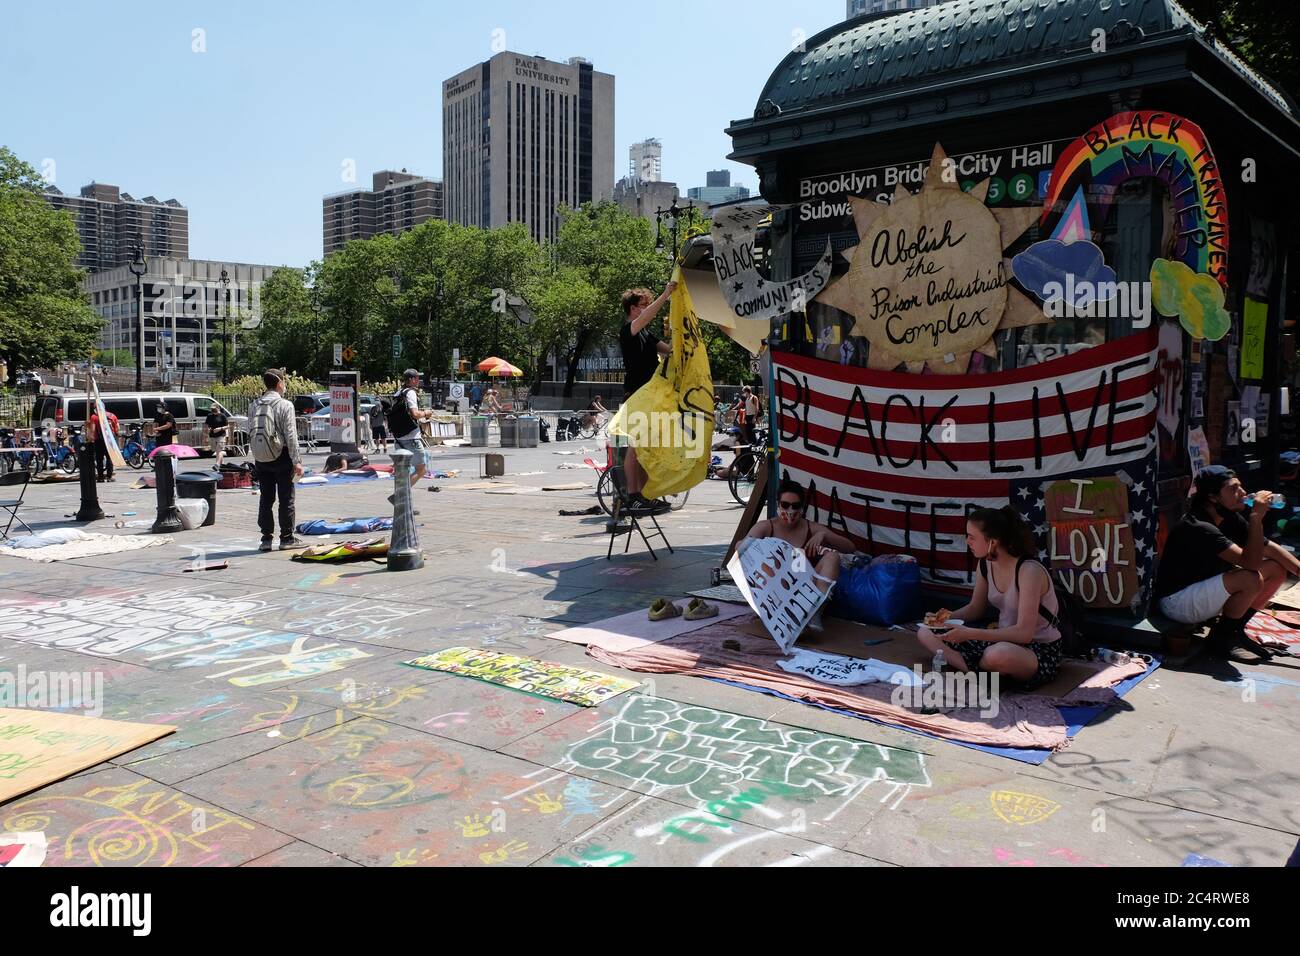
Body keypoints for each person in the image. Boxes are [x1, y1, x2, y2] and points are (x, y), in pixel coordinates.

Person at [1152, 465, 1294, 662]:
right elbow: (1250, 563)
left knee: (1276, 569)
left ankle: (1234, 632)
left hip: (1202, 592)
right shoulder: (1199, 526)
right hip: (1177, 603)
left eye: (1241, 486)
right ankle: (1221, 640)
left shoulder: (1228, 517)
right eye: (1233, 489)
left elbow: (1270, 549)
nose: (1243, 493)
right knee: (1250, 578)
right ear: (1213, 497)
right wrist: (1256, 518)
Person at [917, 506, 1064, 689]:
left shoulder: (1029, 571)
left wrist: (969, 634)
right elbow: (975, 609)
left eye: (972, 537)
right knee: (925, 632)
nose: (967, 541)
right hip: (999, 639)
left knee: (998, 655)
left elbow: (1024, 634)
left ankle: (976, 670)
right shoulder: (985, 565)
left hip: (1036, 649)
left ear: (992, 542)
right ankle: (984, 675)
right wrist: (944, 619)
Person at [743, 477, 856, 631]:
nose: (790, 510)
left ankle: (815, 611)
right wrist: (766, 548)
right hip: (775, 593)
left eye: (795, 506)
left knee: (832, 556)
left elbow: (850, 547)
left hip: (804, 592)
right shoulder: (766, 527)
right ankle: (785, 617)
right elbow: (741, 547)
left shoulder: (811, 528)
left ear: (802, 508)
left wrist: (824, 535)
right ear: (778, 504)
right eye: (785, 505)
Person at [618, 283, 675, 513]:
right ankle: (633, 495)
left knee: (645, 448)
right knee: (636, 447)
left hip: (650, 396)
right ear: (633, 308)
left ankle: (643, 495)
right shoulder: (628, 330)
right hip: (637, 395)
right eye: (644, 305)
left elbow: (669, 350)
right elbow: (652, 312)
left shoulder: (646, 333)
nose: (648, 309)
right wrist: (666, 295)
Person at [249, 368, 303, 551]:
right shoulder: (285, 405)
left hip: (262, 457)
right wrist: (297, 461)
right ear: (280, 383)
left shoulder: (254, 405)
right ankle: (287, 537)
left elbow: (252, 431)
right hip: (282, 456)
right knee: (286, 498)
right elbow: (291, 435)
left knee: (266, 498)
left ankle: (266, 538)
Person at [390, 368, 434, 502]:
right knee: (421, 470)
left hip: (399, 439)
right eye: (417, 378)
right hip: (412, 438)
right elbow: (415, 414)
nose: (418, 381)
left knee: (403, 472)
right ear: (411, 379)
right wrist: (426, 413)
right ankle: (399, 497)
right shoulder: (410, 393)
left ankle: (403, 502)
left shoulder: (398, 393)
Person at [87, 409, 118, 482]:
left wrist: (90, 438)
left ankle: (100, 477)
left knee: (99, 459)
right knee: (109, 458)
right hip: (110, 440)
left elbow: (93, 430)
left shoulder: (94, 417)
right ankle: (109, 477)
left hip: (99, 440)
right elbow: (117, 429)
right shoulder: (112, 416)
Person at [205, 404, 229, 469]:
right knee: (216, 451)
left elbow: (227, 426)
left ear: (218, 409)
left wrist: (220, 429)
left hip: (221, 435)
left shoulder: (222, 416)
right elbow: (207, 425)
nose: (213, 411)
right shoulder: (209, 416)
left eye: (215, 410)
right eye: (212, 410)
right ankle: (222, 464)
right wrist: (209, 429)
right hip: (212, 435)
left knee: (219, 450)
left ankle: (217, 465)